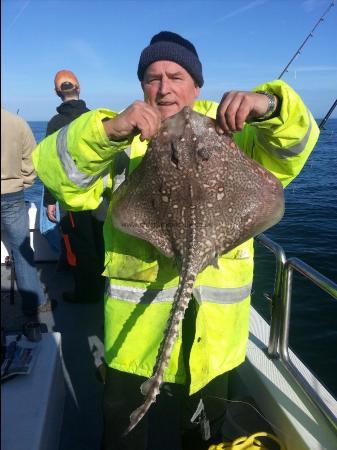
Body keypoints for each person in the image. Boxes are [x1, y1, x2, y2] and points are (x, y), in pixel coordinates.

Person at [33, 31, 319, 449]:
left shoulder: (233, 130)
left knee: (203, 437)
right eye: (152, 77)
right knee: (123, 433)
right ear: (142, 86)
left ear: (196, 84)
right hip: (133, 342)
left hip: (214, 340)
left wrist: (270, 106)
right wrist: (109, 132)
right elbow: (59, 177)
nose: (164, 87)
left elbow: (295, 147)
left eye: (176, 75)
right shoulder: (123, 135)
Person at [43, 69, 106, 304]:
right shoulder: (94, 118)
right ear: (79, 88)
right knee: (101, 242)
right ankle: (102, 290)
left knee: (80, 246)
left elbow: (50, 168)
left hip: (71, 198)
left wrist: (49, 201)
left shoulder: (55, 124)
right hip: (100, 194)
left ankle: (86, 293)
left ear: (57, 93)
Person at [1, 108, 55, 317]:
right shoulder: (17, 122)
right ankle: (35, 303)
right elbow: (32, 161)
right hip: (12, 196)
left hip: (12, 195)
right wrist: (22, 183)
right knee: (22, 252)